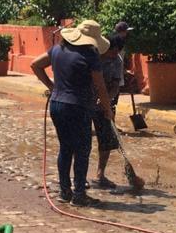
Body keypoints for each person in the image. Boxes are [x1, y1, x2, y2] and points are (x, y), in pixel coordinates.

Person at [31, 19, 111, 207]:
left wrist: (53, 87)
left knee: (65, 148)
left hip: (57, 105)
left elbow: (35, 65)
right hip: (78, 106)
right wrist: (108, 110)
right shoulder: (90, 54)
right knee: (82, 150)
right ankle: (79, 194)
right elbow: (100, 86)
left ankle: (65, 192)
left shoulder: (58, 49)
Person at [92, 34, 124, 188]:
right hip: (85, 102)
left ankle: (100, 174)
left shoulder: (117, 61)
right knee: (81, 140)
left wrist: (107, 100)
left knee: (106, 140)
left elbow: (116, 85)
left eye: (117, 52)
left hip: (105, 105)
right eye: (113, 51)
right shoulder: (93, 57)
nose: (114, 55)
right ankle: (79, 177)